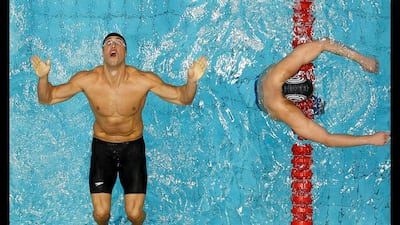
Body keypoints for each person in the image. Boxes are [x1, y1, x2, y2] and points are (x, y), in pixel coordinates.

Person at [30, 32, 208, 225]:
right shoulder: (87, 79)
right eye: (108, 43)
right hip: (102, 147)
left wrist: (191, 82)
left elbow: (184, 98)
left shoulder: (142, 80)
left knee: (134, 214)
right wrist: (43, 78)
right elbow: (46, 98)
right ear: (103, 52)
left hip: (132, 147)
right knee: (101, 214)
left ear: (125, 52)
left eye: (118, 43)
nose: (113, 46)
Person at [255, 37, 390, 147]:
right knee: (319, 109)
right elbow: (327, 139)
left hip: (262, 80)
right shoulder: (287, 112)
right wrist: (370, 139)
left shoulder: (280, 72)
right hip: (262, 104)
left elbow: (323, 43)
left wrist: (362, 59)